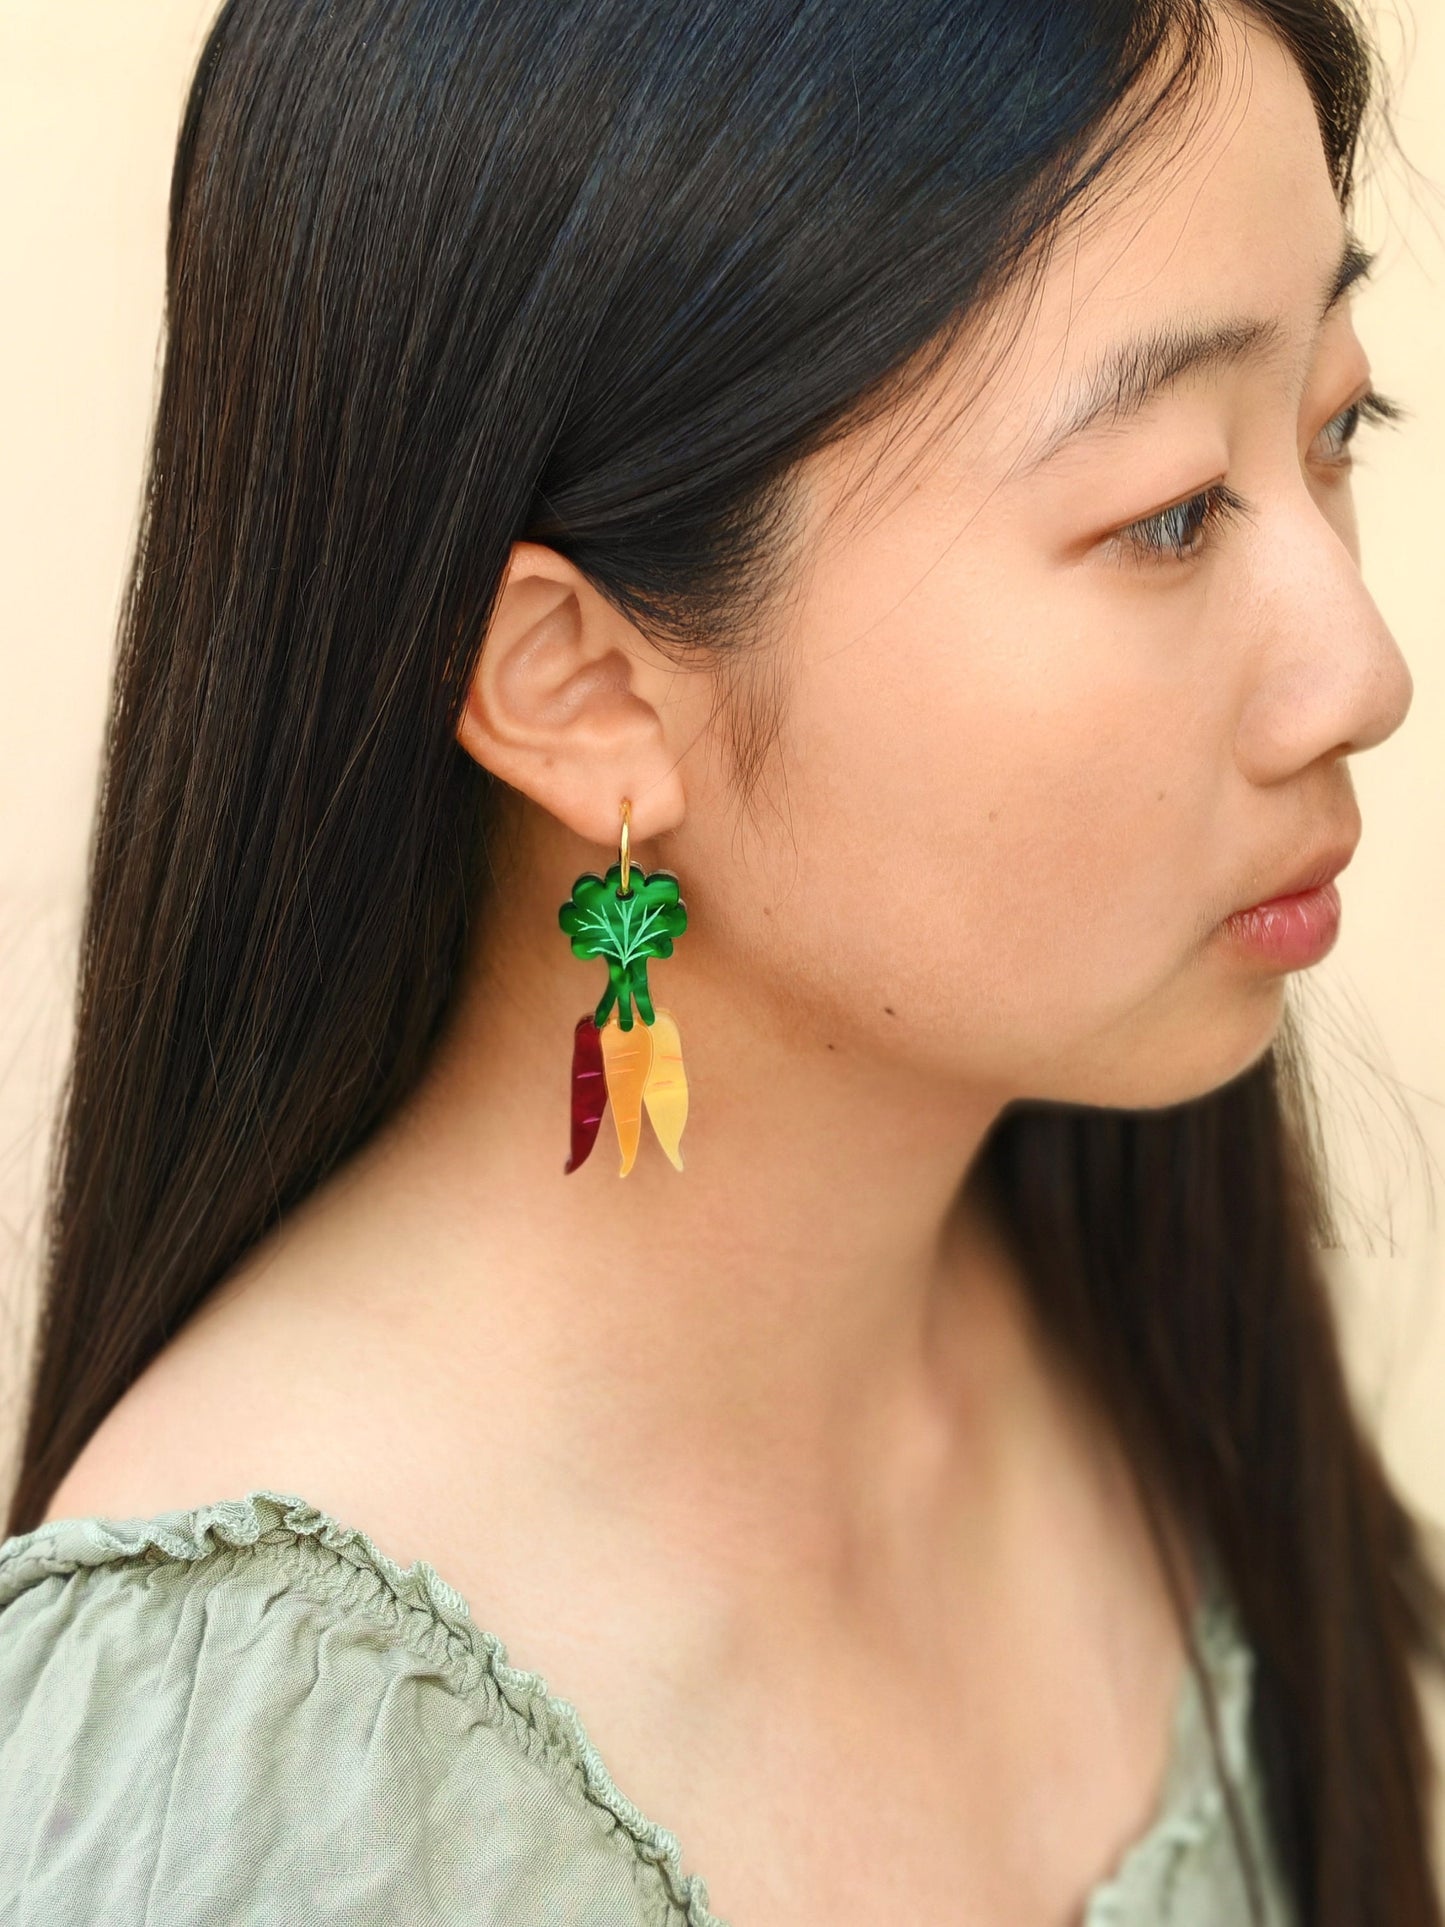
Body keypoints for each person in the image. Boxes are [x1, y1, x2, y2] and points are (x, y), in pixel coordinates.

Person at [1, 0, 1442, 1921]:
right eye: (1169, 513)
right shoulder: (238, 1776)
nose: (1359, 674)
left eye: (1335, 426)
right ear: (584, 686)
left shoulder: (1124, 1298)